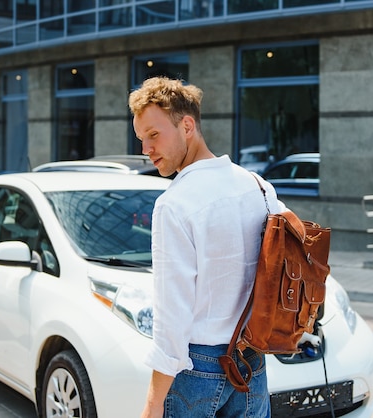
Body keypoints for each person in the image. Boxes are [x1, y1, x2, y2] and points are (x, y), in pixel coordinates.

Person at [129, 76, 285, 418]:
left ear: (187, 125)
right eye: (141, 139)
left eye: (154, 135)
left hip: (196, 368)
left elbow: (173, 312)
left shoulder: (175, 204)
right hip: (250, 360)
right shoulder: (257, 186)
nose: (146, 149)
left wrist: (153, 405)